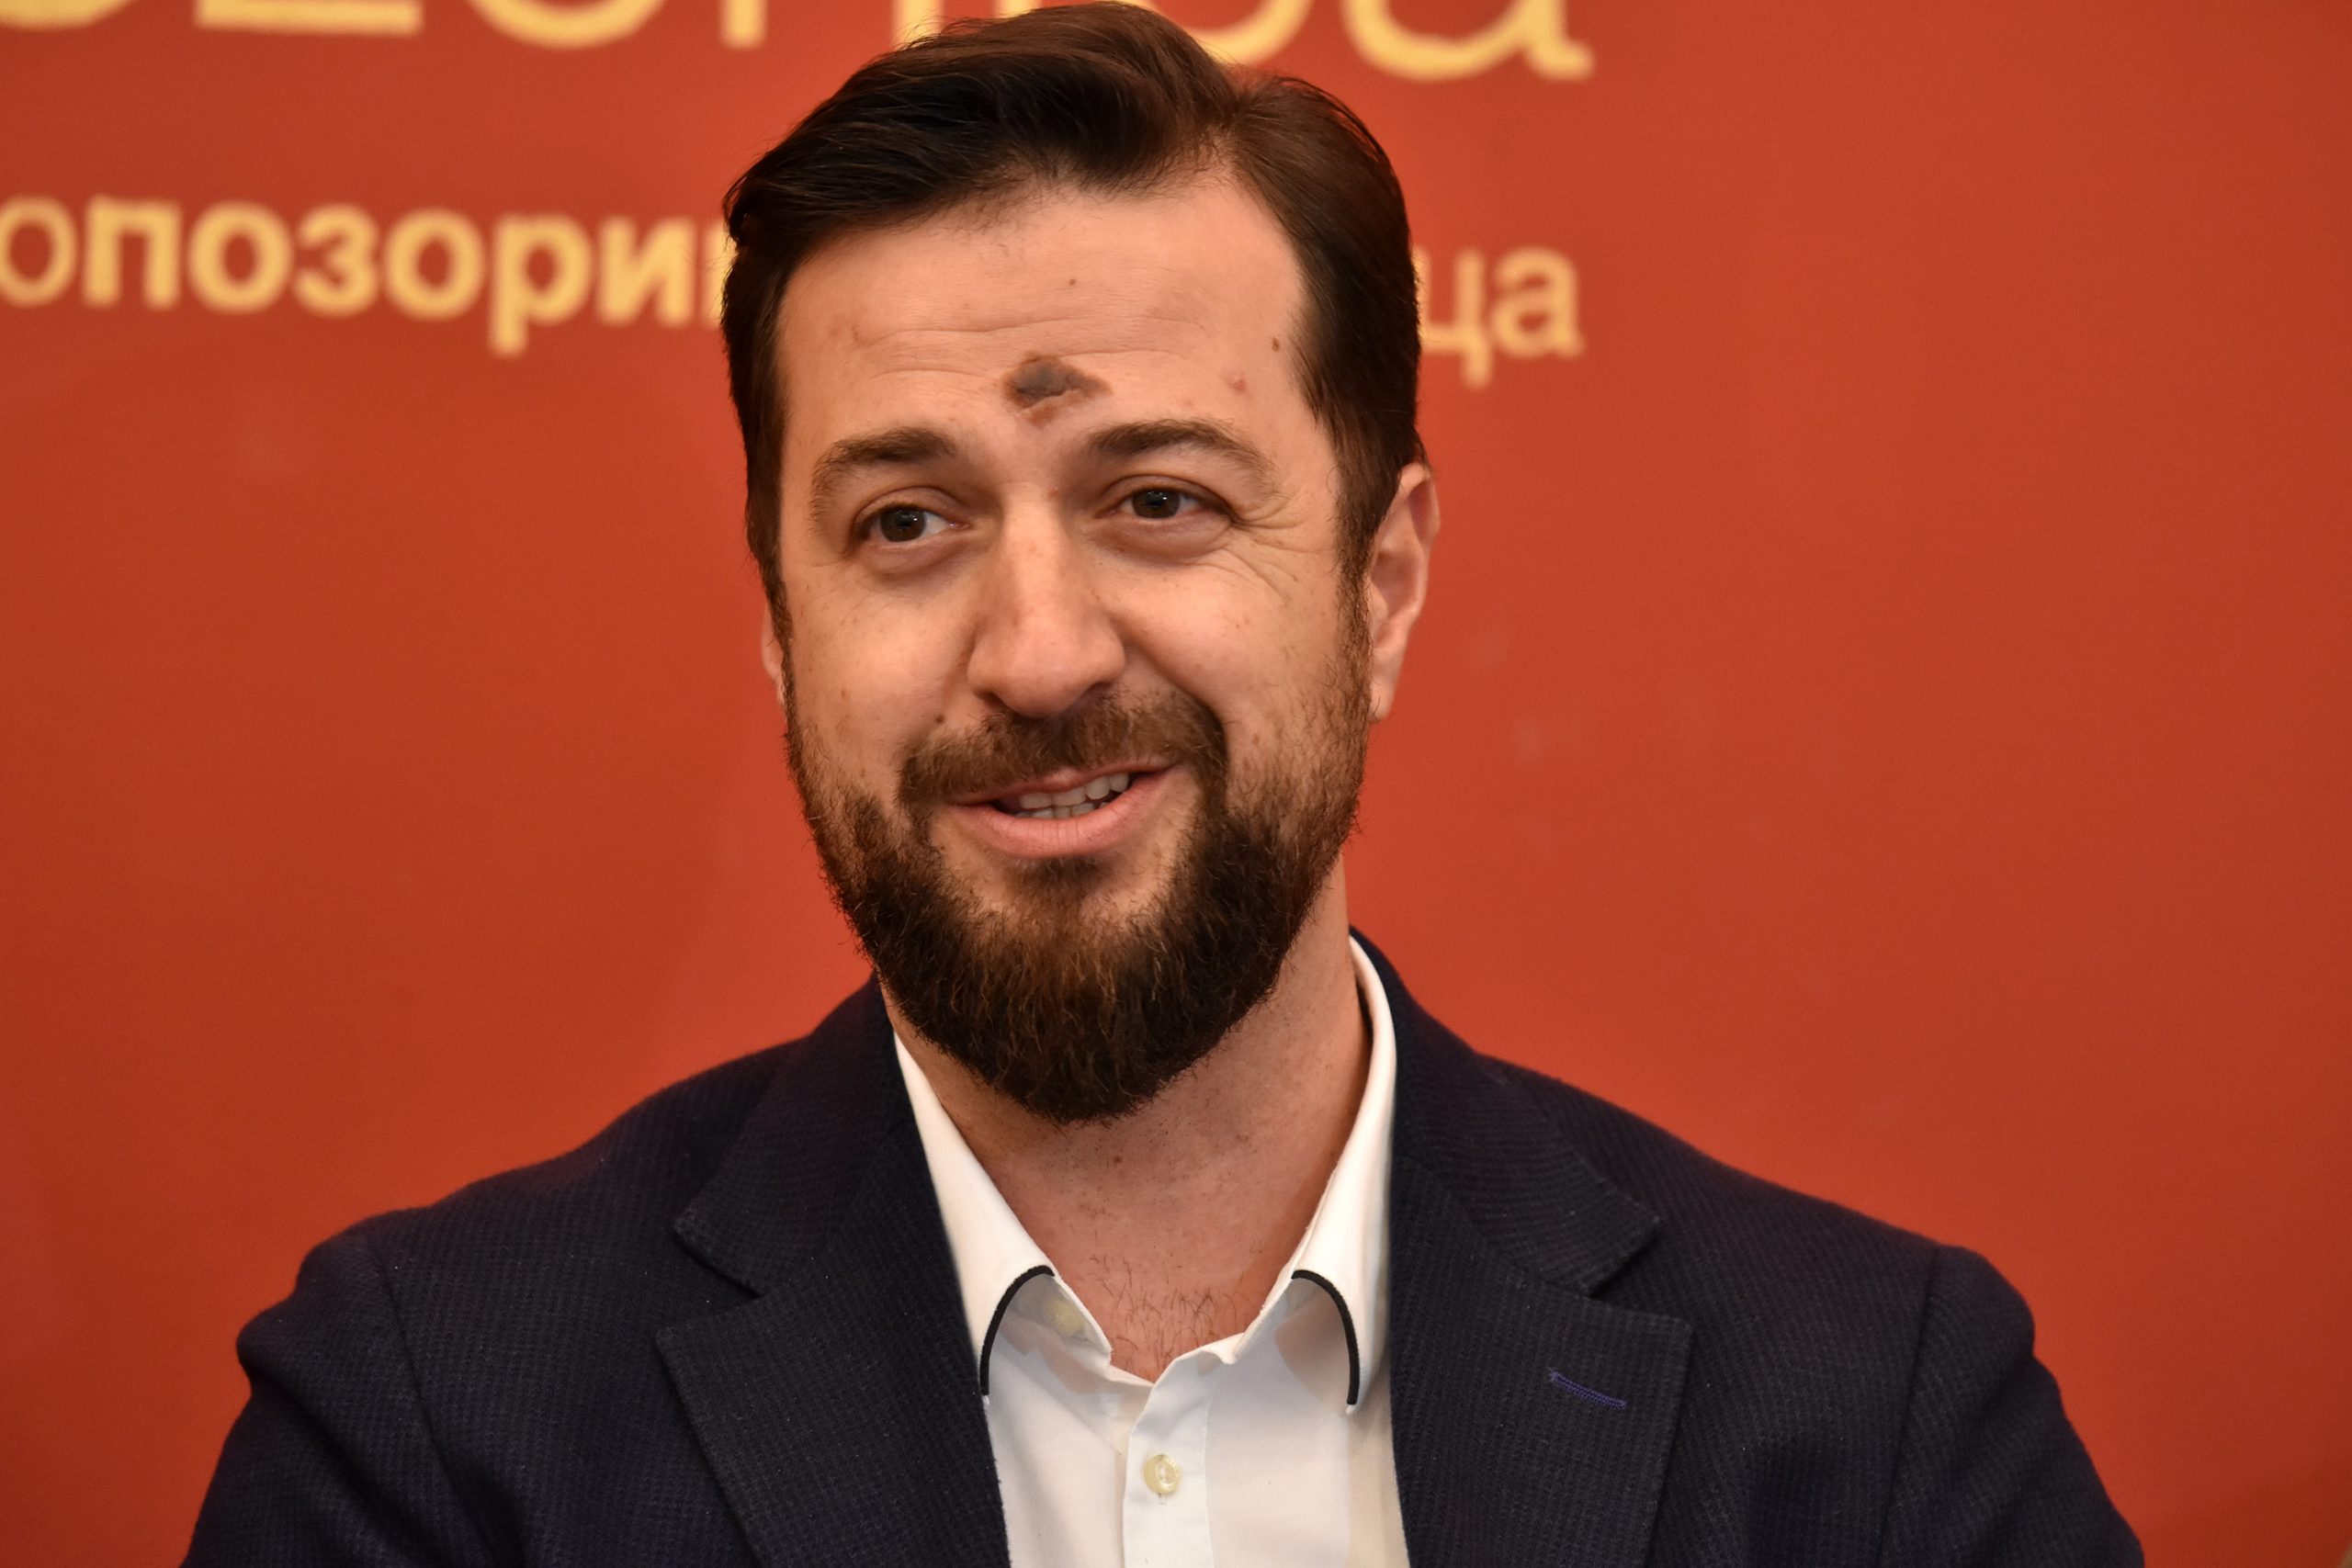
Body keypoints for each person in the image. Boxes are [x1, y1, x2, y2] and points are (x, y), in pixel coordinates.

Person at [185, 6, 2140, 1564]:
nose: (1038, 654)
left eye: (1158, 499)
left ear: (1381, 582)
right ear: (781, 626)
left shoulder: (1875, 1428)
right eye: (905, 520)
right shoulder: (433, 1437)